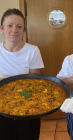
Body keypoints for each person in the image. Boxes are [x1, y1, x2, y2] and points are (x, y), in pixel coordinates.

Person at [0, 8, 44, 140]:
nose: (14, 30)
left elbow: (34, 83)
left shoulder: (33, 51)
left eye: (19, 26)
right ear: (1, 28)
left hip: (27, 108)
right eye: (9, 25)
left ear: (24, 30)